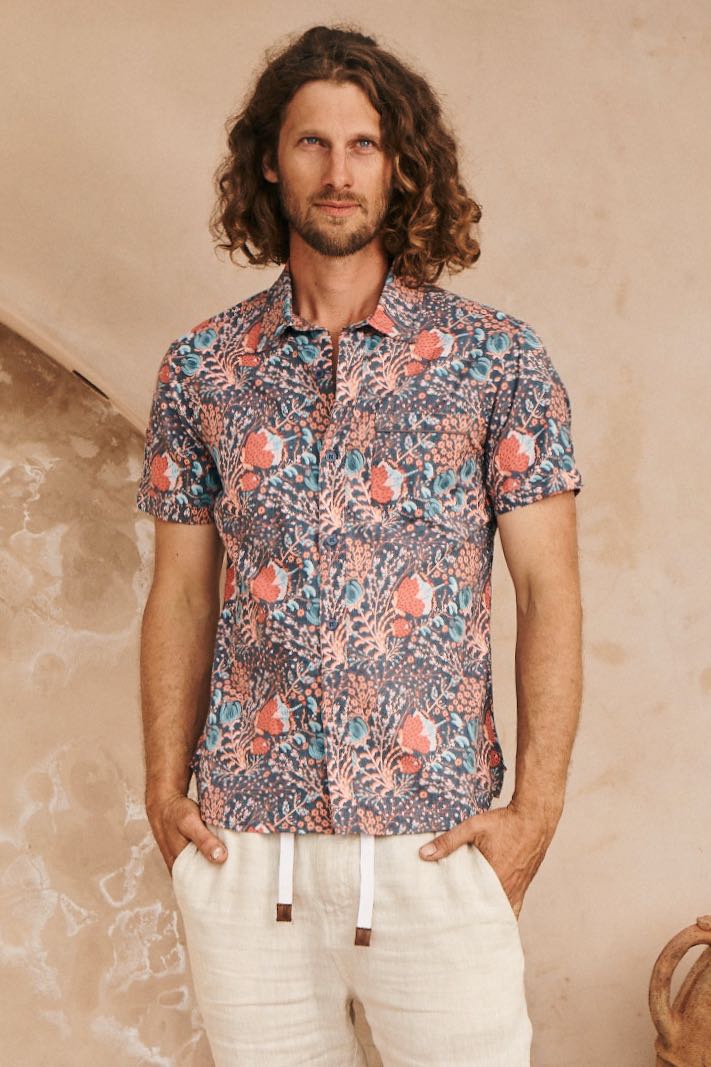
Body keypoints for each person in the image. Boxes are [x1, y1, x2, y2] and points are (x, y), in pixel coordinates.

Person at [136, 22, 584, 1067]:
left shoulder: (497, 361)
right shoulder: (201, 369)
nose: (339, 173)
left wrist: (533, 814)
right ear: (269, 162)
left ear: (400, 165)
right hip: (249, 851)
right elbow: (182, 595)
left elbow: (548, 591)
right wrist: (163, 790)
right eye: (312, 143)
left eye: (364, 145)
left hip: (434, 846)